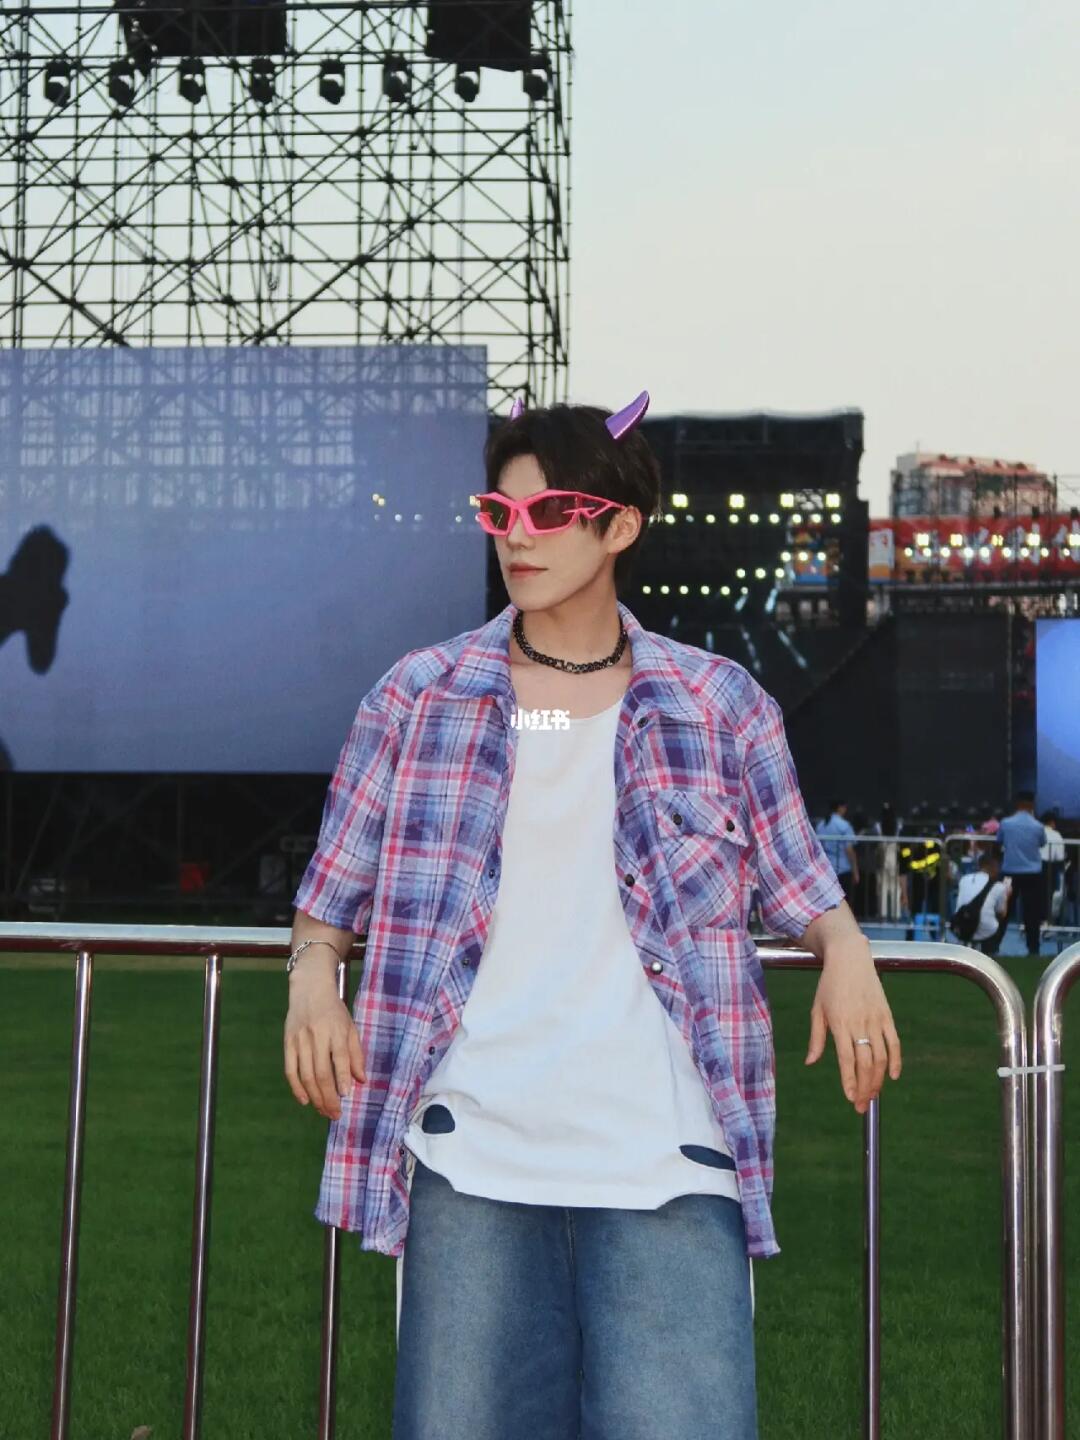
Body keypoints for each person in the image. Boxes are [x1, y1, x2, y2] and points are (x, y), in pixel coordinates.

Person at [282, 392, 903, 1440]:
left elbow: (805, 889)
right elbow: (327, 901)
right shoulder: (417, 698)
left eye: (550, 512)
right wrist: (312, 981)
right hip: (471, 1158)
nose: (519, 537)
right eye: (501, 513)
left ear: (620, 526)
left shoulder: (720, 705)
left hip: (669, 1159)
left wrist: (845, 948)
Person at [998, 792, 1047, 955]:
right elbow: (1042, 843)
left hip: (1010, 873)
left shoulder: (1006, 823)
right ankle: (1033, 948)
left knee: (1004, 909)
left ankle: (993, 945)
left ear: (1017, 804)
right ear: (1032, 805)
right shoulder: (1038, 826)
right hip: (1032, 873)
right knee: (1032, 912)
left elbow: (999, 840)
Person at [955, 851, 1009, 957]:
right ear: (992, 866)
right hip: (985, 930)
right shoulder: (999, 886)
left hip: (961, 925)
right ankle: (992, 952)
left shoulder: (964, 879)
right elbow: (1002, 913)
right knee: (995, 922)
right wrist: (1007, 895)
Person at [816, 800, 859, 905]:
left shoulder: (821, 825)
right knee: (845, 903)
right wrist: (855, 871)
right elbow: (849, 850)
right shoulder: (844, 825)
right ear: (840, 808)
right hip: (843, 870)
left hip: (826, 869)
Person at [1040, 810, 1066, 923]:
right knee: (1048, 895)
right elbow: (1060, 857)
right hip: (1049, 867)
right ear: (1052, 822)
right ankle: (1047, 921)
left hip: (1033, 866)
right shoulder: (1056, 835)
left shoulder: (1036, 833)